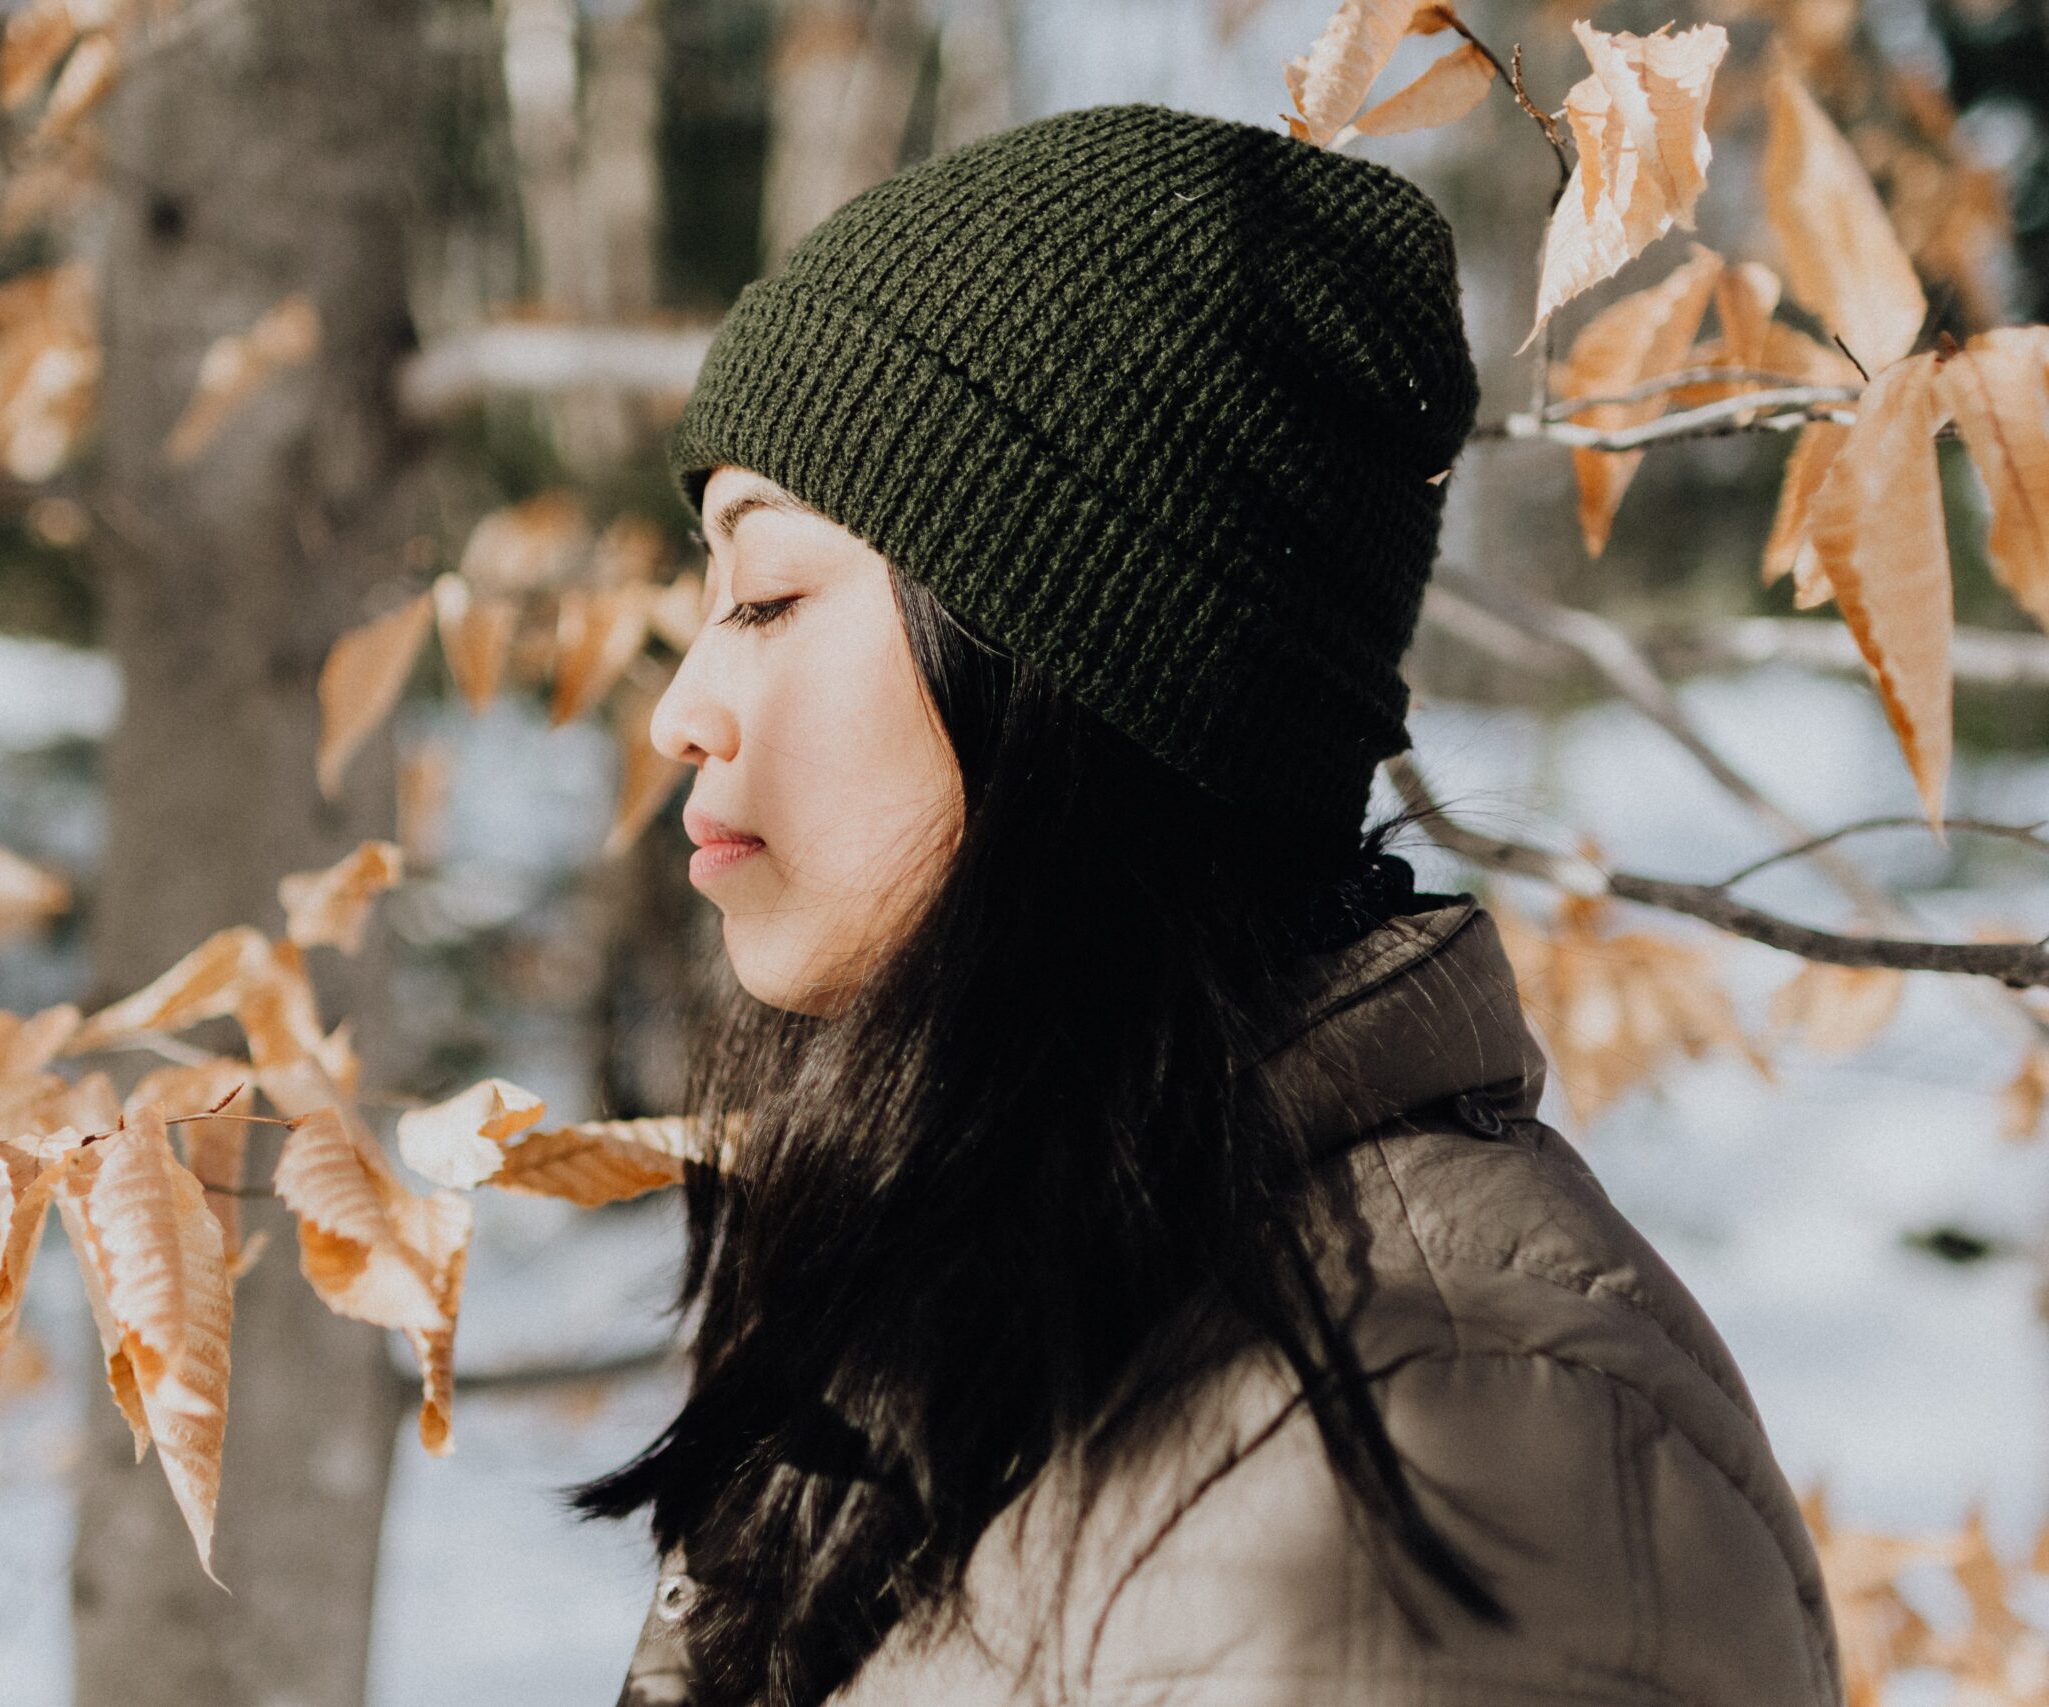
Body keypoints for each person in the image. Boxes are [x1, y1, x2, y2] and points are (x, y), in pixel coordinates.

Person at [573, 102, 1842, 1707]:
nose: (681, 705)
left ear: (1082, 671)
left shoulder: (1439, 1442)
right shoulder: (1005, 1301)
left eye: (766, 594)